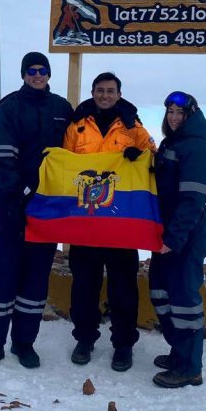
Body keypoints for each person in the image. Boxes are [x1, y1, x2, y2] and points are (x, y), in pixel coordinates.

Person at [0, 52, 73, 372]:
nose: (37, 75)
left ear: (49, 74)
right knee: (2, 275)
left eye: (42, 70)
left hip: (47, 209)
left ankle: (24, 343)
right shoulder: (8, 108)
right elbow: (0, 157)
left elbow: (79, 150)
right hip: (12, 208)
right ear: (24, 74)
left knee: (35, 278)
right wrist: (23, 190)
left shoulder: (62, 109)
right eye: (31, 70)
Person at [63, 72, 157, 372]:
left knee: (124, 287)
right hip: (85, 222)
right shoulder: (76, 127)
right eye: (100, 90)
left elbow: (154, 159)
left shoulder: (133, 126)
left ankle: (123, 345)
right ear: (92, 92)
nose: (105, 95)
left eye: (110, 91)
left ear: (119, 94)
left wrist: (138, 155)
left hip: (121, 224)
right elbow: (63, 166)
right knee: (84, 286)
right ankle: (85, 338)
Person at [149, 91, 206, 388]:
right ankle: (179, 351)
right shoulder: (172, 144)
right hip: (168, 233)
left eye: (180, 113)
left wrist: (174, 239)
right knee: (161, 293)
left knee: (184, 300)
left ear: (191, 115)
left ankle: (190, 367)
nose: (174, 118)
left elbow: (192, 200)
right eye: (170, 113)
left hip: (186, 235)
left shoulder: (197, 149)